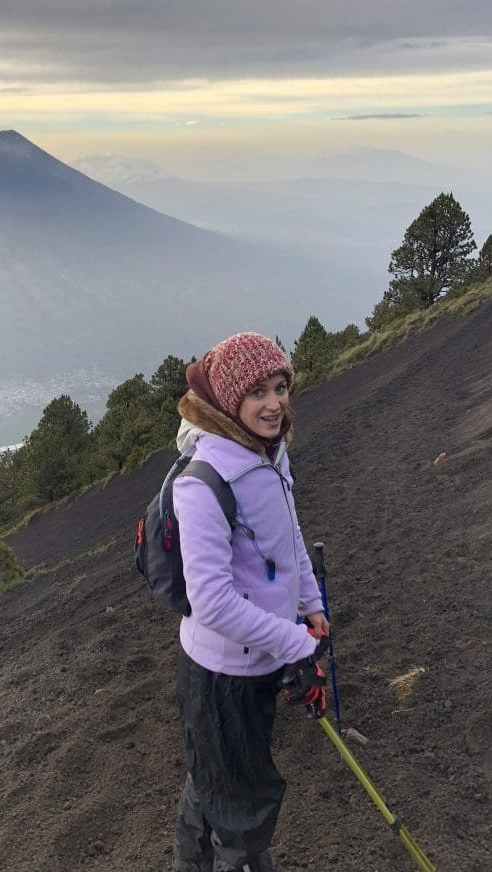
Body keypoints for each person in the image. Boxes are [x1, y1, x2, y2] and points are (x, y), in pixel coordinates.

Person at [171, 331, 330, 872]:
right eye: (257, 391)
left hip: (255, 661)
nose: (274, 402)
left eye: (280, 386)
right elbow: (210, 602)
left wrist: (310, 603)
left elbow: (289, 536)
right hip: (220, 678)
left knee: (212, 783)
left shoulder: (270, 454)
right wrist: (294, 644)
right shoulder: (203, 481)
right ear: (227, 403)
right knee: (239, 812)